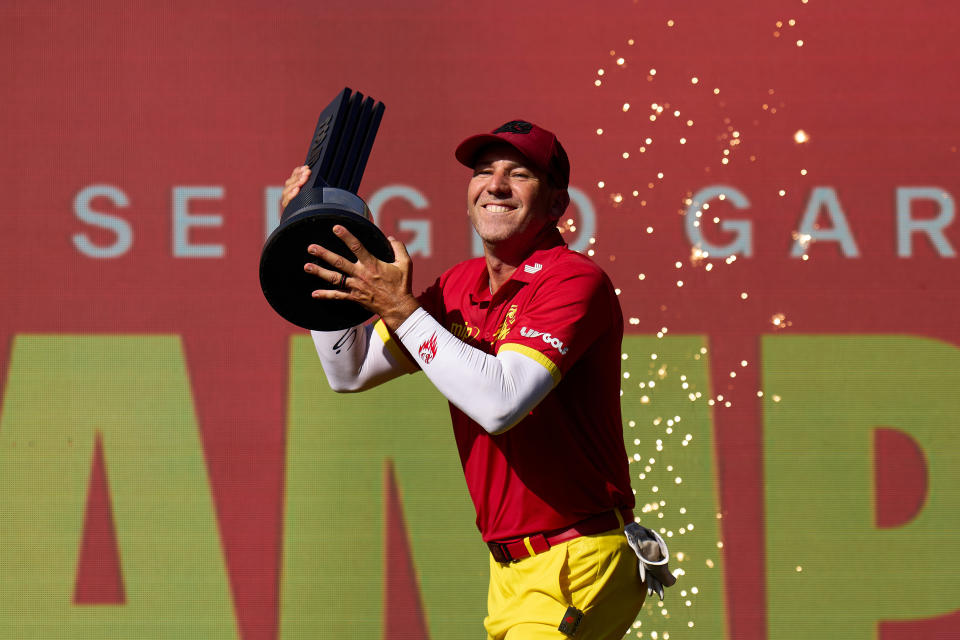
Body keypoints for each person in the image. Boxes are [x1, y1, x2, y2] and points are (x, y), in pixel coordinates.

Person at [280, 120, 673, 639]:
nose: (496, 185)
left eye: (520, 174)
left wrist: (400, 308)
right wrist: (313, 242)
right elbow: (348, 370)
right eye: (483, 172)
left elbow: (500, 402)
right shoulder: (458, 285)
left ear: (557, 205)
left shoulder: (575, 279)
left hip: (577, 559)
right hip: (511, 572)